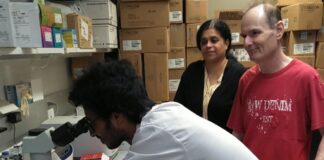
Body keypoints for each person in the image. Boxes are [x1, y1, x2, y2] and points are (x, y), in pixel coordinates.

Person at [69, 60, 258, 160]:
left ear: (117, 116)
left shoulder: (154, 136)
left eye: (92, 124)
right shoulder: (165, 113)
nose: (93, 134)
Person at [227, 3, 324, 160]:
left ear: (279, 30)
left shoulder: (306, 77)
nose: (247, 43)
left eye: (255, 33)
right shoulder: (246, 80)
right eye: (244, 36)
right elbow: (238, 133)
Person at [174, 19, 246, 132]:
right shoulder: (192, 72)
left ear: (226, 43)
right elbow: (178, 109)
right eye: (204, 42)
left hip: (226, 144)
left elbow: (243, 120)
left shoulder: (239, 75)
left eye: (214, 40)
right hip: (194, 142)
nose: (208, 45)